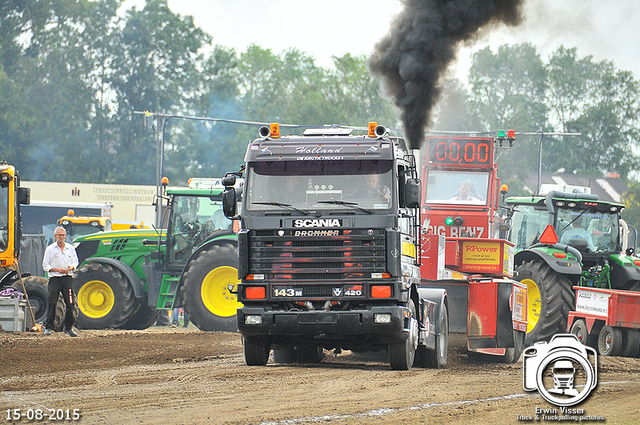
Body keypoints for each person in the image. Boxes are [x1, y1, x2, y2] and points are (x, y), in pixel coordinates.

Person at [42, 226, 79, 336]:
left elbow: (75, 262)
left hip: (67, 279)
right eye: (59, 235)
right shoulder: (50, 249)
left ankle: (68, 327)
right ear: (55, 236)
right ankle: (49, 327)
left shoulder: (70, 248)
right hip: (55, 279)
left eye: (63, 235)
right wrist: (57, 269)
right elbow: (45, 265)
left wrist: (71, 268)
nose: (62, 237)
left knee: (71, 303)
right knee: (52, 302)